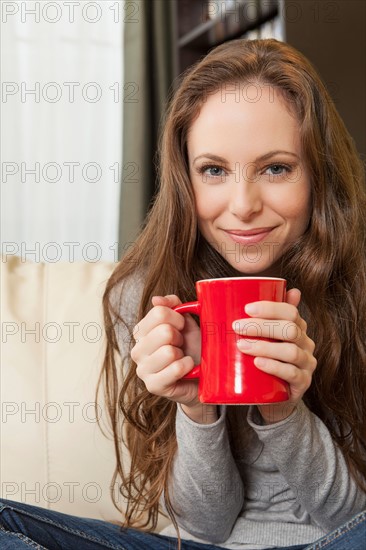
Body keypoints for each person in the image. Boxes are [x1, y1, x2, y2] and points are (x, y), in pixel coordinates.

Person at [1, 38, 365, 550]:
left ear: (318, 174)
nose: (242, 205)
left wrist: (284, 407)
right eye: (213, 170)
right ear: (184, 178)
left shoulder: (357, 288)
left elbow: (350, 515)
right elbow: (206, 524)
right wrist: (195, 409)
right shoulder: (144, 293)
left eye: (276, 168)